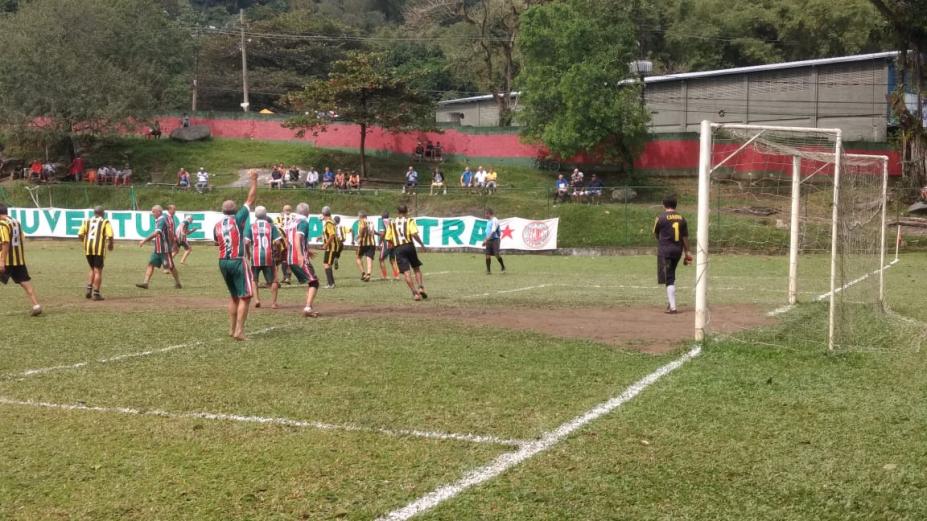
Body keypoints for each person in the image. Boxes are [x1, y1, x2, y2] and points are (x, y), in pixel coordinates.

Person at [214, 170, 259, 340]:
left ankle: (232, 329)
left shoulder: (217, 225)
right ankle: (239, 331)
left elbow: (216, 242)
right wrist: (254, 180)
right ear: (234, 210)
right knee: (245, 296)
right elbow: (250, 200)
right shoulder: (238, 218)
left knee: (233, 296)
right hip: (237, 261)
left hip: (223, 262)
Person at [0, 204, 43, 316]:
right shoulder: (16, 222)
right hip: (18, 260)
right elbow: (21, 238)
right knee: (25, 283)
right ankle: (36, 305)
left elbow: (5, 242)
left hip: (6, 260)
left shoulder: (2, 224)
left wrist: (2, 261)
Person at [653, 194, 692, 314]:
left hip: (665, 251)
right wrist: (687, 253)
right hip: (677, 250)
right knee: (671, 275)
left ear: (664, 204)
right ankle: (670, 302)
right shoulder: (682, 218)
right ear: (675, 205)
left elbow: (656, 234)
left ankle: (673, 307)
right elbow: (685, 237)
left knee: (668, 278)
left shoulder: (661, 218)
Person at [284, 202, 321, 317]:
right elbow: (297, 237)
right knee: (314, 282)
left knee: (311, 282)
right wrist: (300, 254)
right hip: (298, 258)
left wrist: (306, 250)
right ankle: (308, 307)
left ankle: (308, 306)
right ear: (307, 212)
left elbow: (288, 239)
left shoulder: (290, 222)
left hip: (290, 258)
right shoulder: (303, 222)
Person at [384, 204, 427, 301]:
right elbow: (414, 234)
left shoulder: (392, 223)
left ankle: (415, 294)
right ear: (406, 212)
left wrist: (393, 246)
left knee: (407, 273)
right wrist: (422, 244)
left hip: (398, 248)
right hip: (409, 246)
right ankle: (420, 287)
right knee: (416, 268)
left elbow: (388, 238)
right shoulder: (409, 221)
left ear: (397, 212)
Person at [245, 205, 283, 309]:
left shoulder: (251, 226)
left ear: (255, 215)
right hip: (268, 256)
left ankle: (257, 300)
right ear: (266, 215)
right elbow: (278, 242)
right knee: (274, 280)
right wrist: (278, 253)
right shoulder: (271, 226)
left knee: (254, 279)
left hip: (256, 256)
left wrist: (248, 254)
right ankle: (274, 303)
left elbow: (247, 243)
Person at [136, 205, 182, 290]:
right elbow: (170, 232)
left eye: (153, 211)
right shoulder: (161, 219)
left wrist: (144, 240)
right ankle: (145, 283)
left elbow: (156, 233)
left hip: (164, 249)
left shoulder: (161, 220)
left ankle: (178, 283)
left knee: (171, 267)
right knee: (151, 264)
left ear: (159, 212)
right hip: (157, 248)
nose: (152, 213)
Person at [78, 206, 114, 300]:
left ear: (94, 213)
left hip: (88, 248)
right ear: (102, 213)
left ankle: (89, 288)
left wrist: (85, 242)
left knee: (92, 268)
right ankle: (96, 294)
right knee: (98, 270)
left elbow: (80, 234)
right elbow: (110, 235)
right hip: (98, 249)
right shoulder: (105, 221)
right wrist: (111, 244)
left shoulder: (87, 221)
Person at [354, 210, 376, 282]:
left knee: (358, 257)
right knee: (369, 258)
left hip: (363, 243)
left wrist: (360, 236)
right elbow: (373, 231)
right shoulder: (371, 222)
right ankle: (368, 274)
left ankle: (363, 273)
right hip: (372, 243)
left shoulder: (361, 222)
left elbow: (363, 228)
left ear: (360, 216)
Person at [274, 205, 294, 284]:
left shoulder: (278, 218)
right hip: (291, 242)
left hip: (281, 242)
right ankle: (287, 277)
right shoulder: (294, 218)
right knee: (287, 260)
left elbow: (277, 229)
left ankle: (276, 279)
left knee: (278, 261)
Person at [378, 211, 400, 280]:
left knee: (381, 259)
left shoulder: (383, 221)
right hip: (393, 242)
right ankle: (397, 276)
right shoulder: (392, 221)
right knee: (392, 259)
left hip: (387, 242)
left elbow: (382, 233)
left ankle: (384, 276)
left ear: (382, 216)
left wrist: (379, 242)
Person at [483, 208, 506, 275]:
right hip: (489, 240)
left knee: (497, 255)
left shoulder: (495, 220)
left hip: (495, 239)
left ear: (489, 214)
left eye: (486, 214)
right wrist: (485, 239)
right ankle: (488, 270)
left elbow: (493, 231)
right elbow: (487, 232)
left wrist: (486, 240)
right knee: (487, 255)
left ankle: (503, 266)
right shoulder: (488, 221)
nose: (485, 215)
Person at [321, 207, 338, 289]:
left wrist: (326, 245)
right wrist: (320, 237)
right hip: (330, 247)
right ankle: (330, 283)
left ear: (323, 214)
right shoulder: (331, 222)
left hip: (331, 247)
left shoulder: (329, 223)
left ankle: (331, 284)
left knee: (327, 264)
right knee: (327, 264)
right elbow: (329, 234)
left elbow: (332, 235)